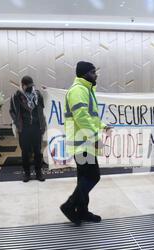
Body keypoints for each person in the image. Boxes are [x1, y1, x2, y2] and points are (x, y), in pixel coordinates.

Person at [60, 61, 112, 226]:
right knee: (93, 176)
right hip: (82, 143)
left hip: (84, 142)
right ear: (84, 74)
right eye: (93, 72)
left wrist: (103, 126)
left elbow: (91, 117)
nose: (96, 75)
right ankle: (69, 206)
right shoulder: (78, 91)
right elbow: (81, 117)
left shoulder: (86, 90)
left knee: (84, 178)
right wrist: (95, 138)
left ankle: (82, 211)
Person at [10, 76, 47, 182]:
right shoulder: (17, 95)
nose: (31, 88)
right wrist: (18, 123)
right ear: (23, 85)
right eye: (29, 86)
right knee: (25, 152)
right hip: (24, 128)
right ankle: (27, 174)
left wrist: (42, 125)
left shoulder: (38, 94)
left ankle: (39, 173)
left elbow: (41, 110)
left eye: (32, 86)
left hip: (36, 127)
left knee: (37, 151)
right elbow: (12, 111)